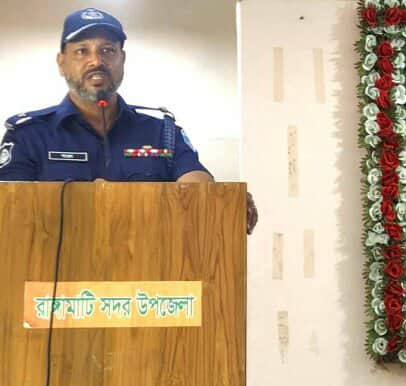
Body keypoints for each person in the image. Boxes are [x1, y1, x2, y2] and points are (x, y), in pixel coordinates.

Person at [0, 7, 257, 233]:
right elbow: (9, 210)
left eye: (107, 50)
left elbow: (196, 183)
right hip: (55, 269)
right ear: (61, 63)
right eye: (81, 51)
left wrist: (222, 200)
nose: (96, 61)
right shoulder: (28, 135)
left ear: (122, 59)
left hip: (148, 266)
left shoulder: (161, 132)